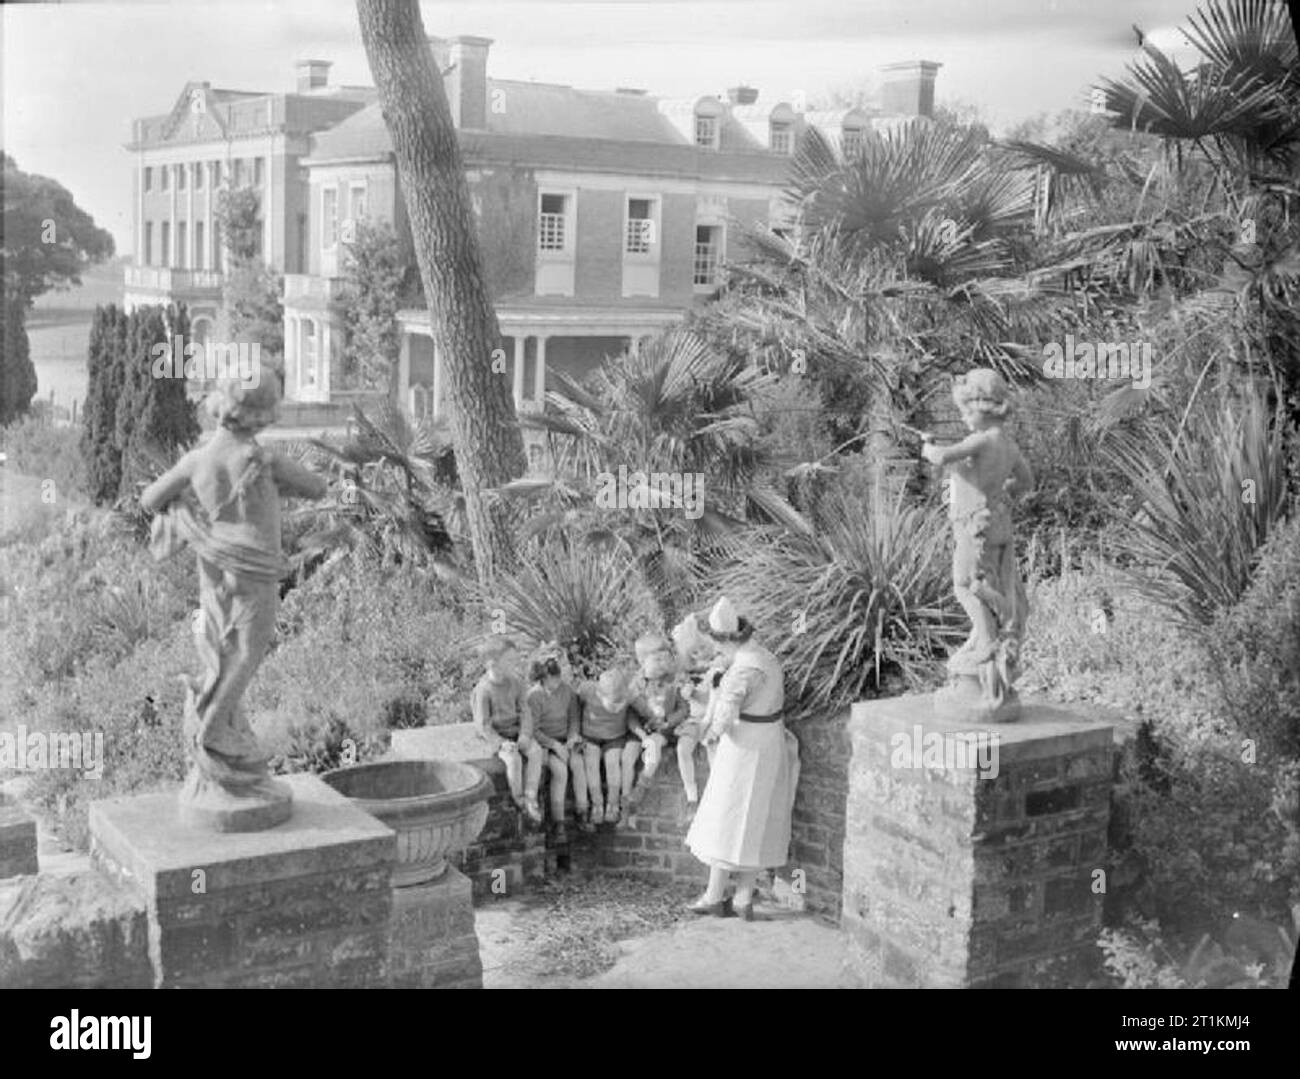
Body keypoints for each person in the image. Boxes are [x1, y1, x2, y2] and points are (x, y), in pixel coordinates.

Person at [141, 374, 327, 826]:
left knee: (220, 655)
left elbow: (150, 500)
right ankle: (209, 731)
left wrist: (187, 516)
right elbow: (318, 488)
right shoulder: (264, 460)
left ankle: (221, 744)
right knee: (244, 654)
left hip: (213, 560)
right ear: (261, 414)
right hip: (254, 566)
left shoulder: (196, 460)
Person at [684, 597, 800, 921]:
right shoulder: (765, 657)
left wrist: (709, 735)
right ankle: (743, 898)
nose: (716, 653)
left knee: (728, 814)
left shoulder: (743, 670)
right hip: (770, 737)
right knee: (758, 816)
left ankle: (714, 895)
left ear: (725, 641)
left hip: (745, 744)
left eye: (716, 646)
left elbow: (725, 711)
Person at [471, 637, 545, 823]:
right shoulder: (484, 690)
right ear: (493, 663)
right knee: (513, 760)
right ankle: (518, 798)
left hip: (516, 731)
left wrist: (525, 735)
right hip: (499, 735)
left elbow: (525, 711)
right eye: (510, 660)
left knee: (536, 752)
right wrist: (502, 744)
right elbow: (483, 725)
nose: (515, 663)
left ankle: (531, 795)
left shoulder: (516, 682)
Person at [670, 613, 724, 816]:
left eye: (702, 648)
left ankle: (716, 794)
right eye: (694, 653)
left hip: (714, 718)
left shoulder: (716, 668)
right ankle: (691, 793)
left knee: (716, 753)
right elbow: (685, 702)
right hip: (694, 719)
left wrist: (697, 694)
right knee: (682, 749)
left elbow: (715, 698)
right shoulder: (687, 673)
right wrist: (687, 693)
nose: (699, 654)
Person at [575, 668, 643, 825]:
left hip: (615, 737)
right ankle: (597, 804)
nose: (617, 707)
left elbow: (644, 710)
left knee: (613, 763)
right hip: (590, 736)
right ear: (599, 694)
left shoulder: (630, 694)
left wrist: (657, 717)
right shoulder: (587, 690)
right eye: (613, 703)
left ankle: (612, 804)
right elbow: (576, 708)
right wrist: (576, 733)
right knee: (591, 764)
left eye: (621, 702)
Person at [524, 656, 582, 841]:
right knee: (560, 771)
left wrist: (572, 737)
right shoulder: (534, 696)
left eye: (558, 678)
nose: (556, 683)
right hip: (544, 744)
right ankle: (559, 822)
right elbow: (533, 729)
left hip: (565, 740)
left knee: (578, 764)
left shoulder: (567, 691)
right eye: (552, 679)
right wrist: (554, 745)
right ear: (543, 678)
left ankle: (583, 809)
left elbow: (574, 717)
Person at [625, 645, 688, 812]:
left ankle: (642, 785)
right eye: (658, 659)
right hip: (642, 732)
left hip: (664, 730)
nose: (662, 664)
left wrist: (668, 721)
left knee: (653, 746)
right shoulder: (635, 685)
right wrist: (640, 734)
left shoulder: (674, 682)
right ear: (644, 662)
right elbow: (630, 716)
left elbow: (683, 708)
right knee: (636, 753)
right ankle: (626, 798)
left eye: (666, 659)